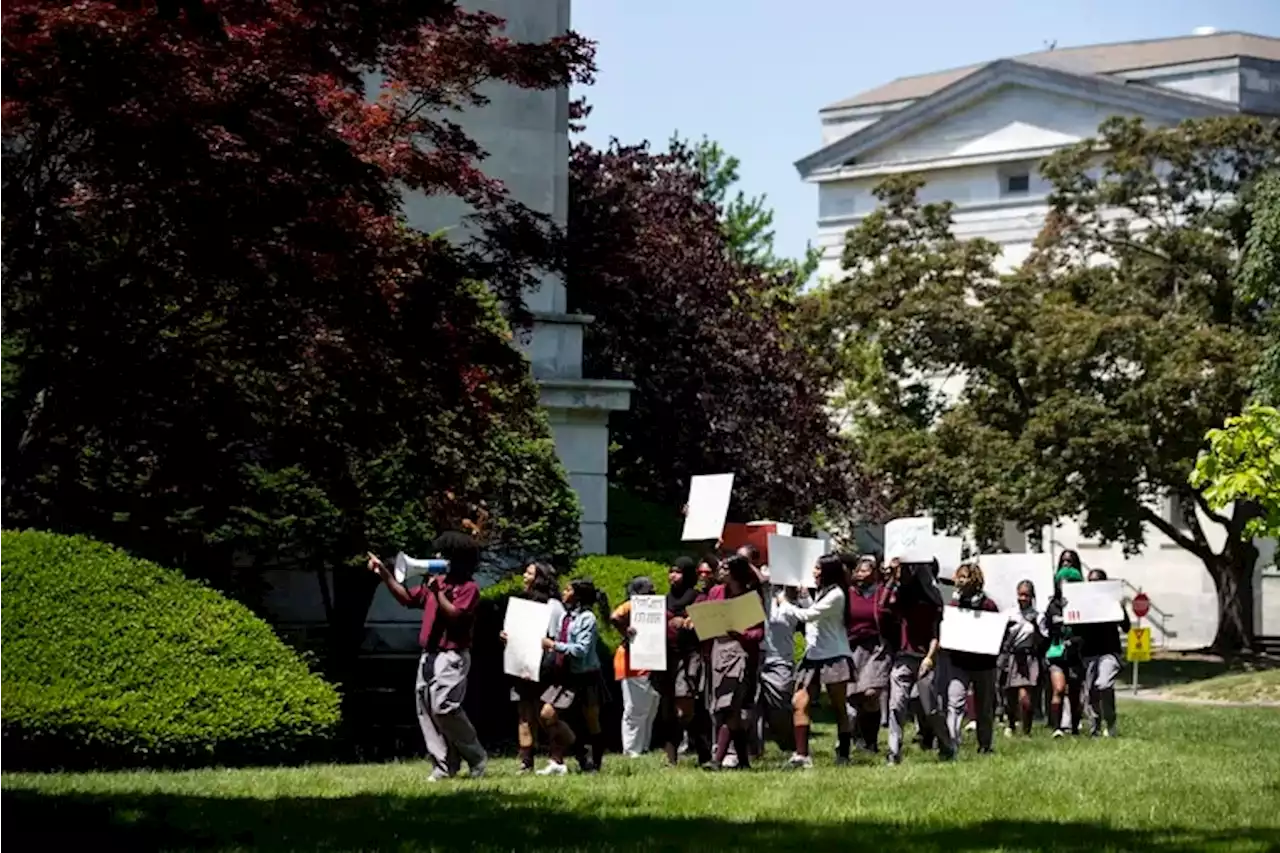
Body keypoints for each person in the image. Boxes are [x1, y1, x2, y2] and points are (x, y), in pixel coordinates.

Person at [367, 531, 487, 781]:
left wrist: (438, 592)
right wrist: (384, 574)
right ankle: (443, 766)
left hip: (452, 655)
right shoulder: (434, 585)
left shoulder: (469, 589)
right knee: (427, 711)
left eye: (443, 554)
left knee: (444, 707)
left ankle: (476, 757)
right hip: (429, 655)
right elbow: (406, 598)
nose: (437, 557)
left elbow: (455, 615)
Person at [776, 553, 855, 768]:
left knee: (838, 706)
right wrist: (803, 598)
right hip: (813, 655)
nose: (814, 572)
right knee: (799, 702)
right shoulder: (822, 592)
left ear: (829, 571)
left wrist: (785, 603)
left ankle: (844, 754)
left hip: (834, 656)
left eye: (818, 569)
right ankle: (802, 755)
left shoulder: (837, 594)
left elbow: (809, 616)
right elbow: (812, 612)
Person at [537, 577, 610, 776]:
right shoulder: (565, 617)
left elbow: (581, 649)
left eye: (568, 589)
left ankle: (594, 764)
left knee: (592, 720)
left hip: (586, 676)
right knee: (547, 714)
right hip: (566, 674)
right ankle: (578, 749)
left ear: (578, 595)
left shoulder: (587, 618)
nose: (563, 591)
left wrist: (554, 646)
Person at [885, 558, 955, 765]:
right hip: (903, 658)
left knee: (930, 709)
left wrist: (929, 658)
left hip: (925, 658)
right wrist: (892, 578)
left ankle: (946, 745)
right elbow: (883, 606)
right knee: (896, 705)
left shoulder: (931, 601)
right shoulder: (900, 597)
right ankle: (893, 752)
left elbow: (936, 634)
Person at [703, 555, 765, 770]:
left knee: (729, 706)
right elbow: (707, 617)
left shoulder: (751, 598)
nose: (721, 571)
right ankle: (744, 762)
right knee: (726, 710)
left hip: (741, 654)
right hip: (718, 652)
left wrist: (740, 634)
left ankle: (717, 760)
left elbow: (759, 633)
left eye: (725, 568)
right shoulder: (715, 593)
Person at [501, 561, 564, 772]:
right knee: (524, 714)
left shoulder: (553, 606)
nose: (524, 577)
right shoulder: (521, 603)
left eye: (529, 573)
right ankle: (526, 761)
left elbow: (555, 639)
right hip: (521, 665)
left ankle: (558, 757)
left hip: (543, 667)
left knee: (545, 714)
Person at [656, 557, 712, 766]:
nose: (673, 576)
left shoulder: (698, 598)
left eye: (678, 571)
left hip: (688, 657)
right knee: (668, 710)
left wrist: (690, 621)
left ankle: (703, 749)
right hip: (665, 659)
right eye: (671, 571)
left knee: (685, 709)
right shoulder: (662, 601)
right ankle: (671, 759)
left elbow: (707, 623)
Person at [944, 563, 1000, 754]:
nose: (960, 581)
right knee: (955, 702)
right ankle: (952, 744)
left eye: (965, 576)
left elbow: (995, 632)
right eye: (958, 577)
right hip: (959, 662)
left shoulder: (988, 605)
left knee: (983, 708)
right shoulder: (954, 605)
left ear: (974, 580)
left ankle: (985, 745)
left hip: (984, 664)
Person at [846, 554, 893, 753]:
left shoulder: (882, 594)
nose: (861, 574)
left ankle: (871, 740)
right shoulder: (848, 594)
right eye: (859, 570)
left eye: (866, 570)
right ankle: (857, 736)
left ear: (875, 574)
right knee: (854, 696)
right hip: (852, 647)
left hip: (877, 647)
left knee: (871, 693)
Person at [1076, 569, 1131, 737]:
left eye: (1097, 581)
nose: (1094, 585)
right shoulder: (1082, 602)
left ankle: (1111, 721)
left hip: (1109, 652)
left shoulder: (1112, 603)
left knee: (1104, 684)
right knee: (1092, 691)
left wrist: (1122, 609)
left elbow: (1126, 628)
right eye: (1091, 581)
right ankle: (1095, 727)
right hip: (1089, 653)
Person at [611, 576, 662, 757]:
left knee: (650, 708)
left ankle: (644, 746)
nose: (653, 592)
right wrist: (625, 630)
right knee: (635, 709)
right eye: (649, 589)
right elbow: (615, 616)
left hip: (650, 661)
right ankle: (632, 750)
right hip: (631, 663)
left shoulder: (654, 607)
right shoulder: (633, 605)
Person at [1044, 551, 1086, 737]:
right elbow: (1046, 629)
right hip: (1056, 653)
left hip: (1076, 653)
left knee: (1075, 692)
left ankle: (1075, 727)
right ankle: (1057, 728)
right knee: (1059, 689)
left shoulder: (1085, 603)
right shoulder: (1052, 605)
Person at [1001, 580, 1045, 737]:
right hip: (1011, 656)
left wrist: (1036, 626)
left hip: (1028, 658)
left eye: (1026, 595)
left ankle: (1026, 730)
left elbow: (1043, 639)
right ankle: (1011, 723)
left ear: (1032, 596)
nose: (1023, 598)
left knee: (1025, 698)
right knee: (1009, 697)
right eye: (1020, 594)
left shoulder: (1038, 616)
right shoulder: (1009, 614)